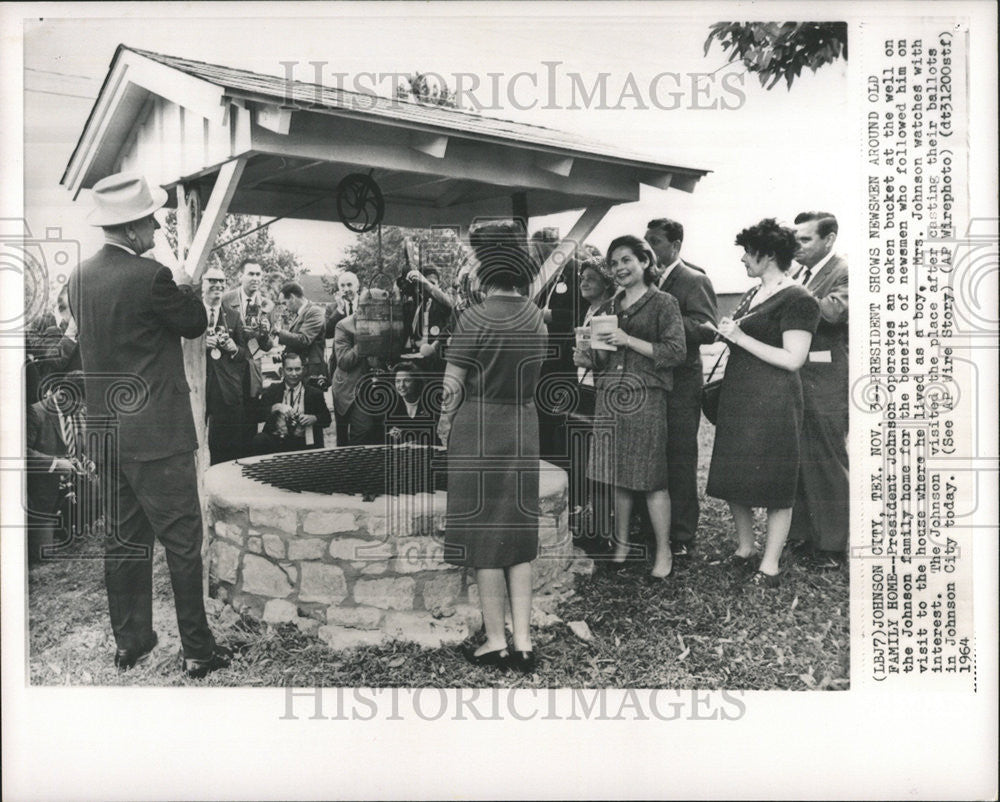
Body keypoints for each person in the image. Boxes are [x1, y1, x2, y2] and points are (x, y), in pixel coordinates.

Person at [66, 171, 229, 677]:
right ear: (133, 228)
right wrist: (186, 283)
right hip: (158, 436)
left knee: (123, 541)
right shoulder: (153, 277)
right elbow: (195, 323)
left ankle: (131, 643)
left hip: (107, 436)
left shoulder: (77, 278)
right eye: (152, 223)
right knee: (183, 542)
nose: (157, 230)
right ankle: (198, 651)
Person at [437, 222, 548, 673]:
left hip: (479, 429)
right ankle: (524, 642)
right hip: (523, 426)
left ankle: (495, 641)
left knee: (484, 538)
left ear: (485, 264)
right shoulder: (537, 316)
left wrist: (443, 426)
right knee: (517, 537)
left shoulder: (474, 317)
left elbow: (451, 387)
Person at [706, 218, 821, 588]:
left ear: (768, 255)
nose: (742, 259)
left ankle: (769, 564)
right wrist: (728, 335)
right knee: (731, 474)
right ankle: (745, 548)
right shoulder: (754, 293)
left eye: (747, 252)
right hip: (740, 396)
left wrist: (739, 336)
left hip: (774, 400)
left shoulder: (799, 299)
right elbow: (746, 340)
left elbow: (793, 358)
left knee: (775, 484)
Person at [574, 236, 686, 578]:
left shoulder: (663, 303)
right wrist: (585, 353)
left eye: (627, 260)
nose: (620, 268)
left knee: (652, 479)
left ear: (645, 262)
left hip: (646, 396)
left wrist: (628, 340)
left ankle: (663, 552)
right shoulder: (607, 307)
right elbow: (602, 359)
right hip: (609, 396)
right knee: (617, 476)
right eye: (614, 263)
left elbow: (676, 352)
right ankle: (621, 547)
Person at [644, 218, 719, 557]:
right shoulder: (644, 280)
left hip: (683, 384)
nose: (649, 248)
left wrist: (662, 319)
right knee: (653, 456)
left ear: (675, 246)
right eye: (646, 241)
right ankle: (654, 526)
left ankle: (683, 535)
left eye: (656, 242)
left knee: (680, 457)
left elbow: (707, 329)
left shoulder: (693, 279)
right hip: (652, 382)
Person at [787, 211, 850, 569]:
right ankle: (802, 534)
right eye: (795, 239)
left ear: (829, 239)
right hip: (796, 379)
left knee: (826, 458)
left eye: (805, 239)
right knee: (797, 458)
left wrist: (787, 286)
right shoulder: (798, 274)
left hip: (826, 380)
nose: (796, 246)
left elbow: (832, 312)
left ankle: (831, 545)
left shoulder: (844, 271)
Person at [566, 256, 615, 547]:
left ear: (606, 283)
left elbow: (605, 361)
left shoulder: (607, 312)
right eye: (581, 277)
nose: (583, 282)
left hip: (600, 394)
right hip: (584, 391)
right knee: (585, 458)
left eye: (591, 278)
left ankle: (602, 530)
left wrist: (585, 359)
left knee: (599, 462)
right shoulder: (590, 310)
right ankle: (593, 521)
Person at [25, 372, 96, 564]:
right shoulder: (36, 413)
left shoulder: (75, 413)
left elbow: (80, 445)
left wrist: (87, 460)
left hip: (74, 497)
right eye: (80, 404)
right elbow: (20, 453)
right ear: (64, 395)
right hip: (42, 500)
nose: (82, 409)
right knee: (43, 557)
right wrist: (55, 464)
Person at [221, 259, 274, 456]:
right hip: (229, 370)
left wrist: (264, 334)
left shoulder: (266, 305)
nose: (255, 278)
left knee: (250, 427)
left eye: (258, 274)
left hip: (251, 372)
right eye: (251, 274)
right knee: (229, 428)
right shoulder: (226, 299)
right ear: (240, 276)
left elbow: (266, 347)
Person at [203, 266, 251, 465]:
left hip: (224, 389)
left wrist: (233, 349)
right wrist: (200, 346)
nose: (218, 285)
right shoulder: (192, 313)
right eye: (212, 280)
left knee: (223, 445)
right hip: (198, 385)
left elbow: (245, 354)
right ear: (202, 284)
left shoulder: (232, 315)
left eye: (222, 281)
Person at [331, 298, 387, 446]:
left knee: (380, 430)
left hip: (376, 385)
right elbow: (344, 361)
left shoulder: (384, 323)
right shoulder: (343, 326)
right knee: (362, 429)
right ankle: (351, 464)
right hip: (351, 386)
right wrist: (364, 338)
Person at [252, 351, 332, 454]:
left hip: (304, 443)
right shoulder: (272, 390)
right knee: (259, 440)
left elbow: (327, 418)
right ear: (282, 371)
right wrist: (274, 407)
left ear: (303, 370)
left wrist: (314, 418)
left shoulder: (314, 393)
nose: (294, 374)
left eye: (297, 369)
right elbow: (257, 415)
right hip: (278, 441)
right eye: (289, 369)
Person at [273, 282, 327, 381]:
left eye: (285, 303)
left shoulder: (315, 311)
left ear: (292, 298)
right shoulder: (301, 313)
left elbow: (304, 339)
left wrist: (279, 332)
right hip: (302, 367)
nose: (285, 308)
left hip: (310, 370)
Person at [385, 361, 439, 446]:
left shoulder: (430, 402)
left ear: (416, 382)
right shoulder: (392, 404)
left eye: (407, 381)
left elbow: (434, 434)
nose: (401, 385)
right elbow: (388, 433)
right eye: (398, 381)